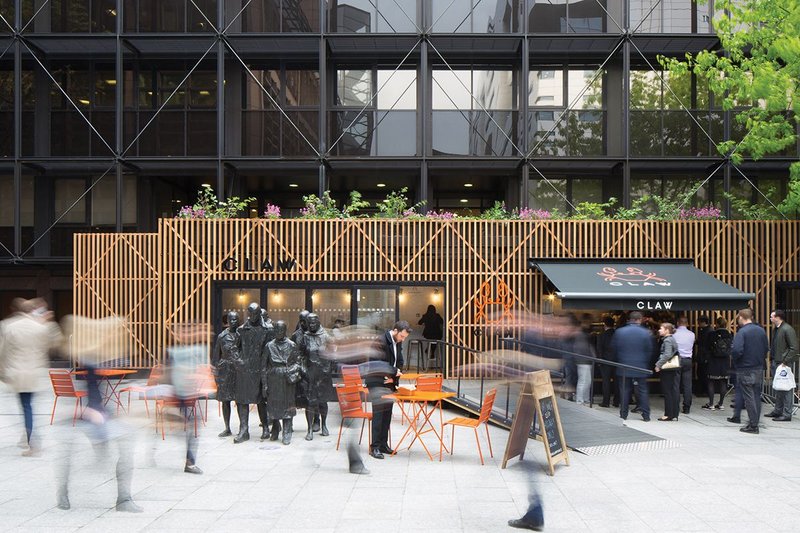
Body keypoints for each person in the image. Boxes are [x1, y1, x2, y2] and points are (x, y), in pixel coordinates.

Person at [0, 298, 62, 455]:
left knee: (25, 406)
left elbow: (3, 351)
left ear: (15, 309)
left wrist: (2, 371)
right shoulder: (40, 327)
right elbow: (54, 345)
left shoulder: (8, 326)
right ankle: (28, 435)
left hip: (16, 372)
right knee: (28, 405)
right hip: (35, 373)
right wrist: (48, 322)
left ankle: (31, 441)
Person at [366, 320, 410, 459]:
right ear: (395, 330)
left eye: (404, 337)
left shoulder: (397, 341)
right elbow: (376, 363)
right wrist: (393, 372)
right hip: (377, 382)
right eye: (402, 336)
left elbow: (400, 362)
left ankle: (383, 444)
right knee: (379, 415)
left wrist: (394, 378)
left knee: (387, 415)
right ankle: (375, 447)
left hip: (388, 383)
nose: (403, 339)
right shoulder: (380, 341)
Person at [234, 303, 273, 443]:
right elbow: (235, 348)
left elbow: (271, 350)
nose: (253, 316)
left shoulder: (268, 329)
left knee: (261, 400)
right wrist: (238, 361)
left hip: (261, 370)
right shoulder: (241, 330)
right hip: (245, 371)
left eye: (256, 313)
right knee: (242, 401)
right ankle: (243, 430)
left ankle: (266, 427)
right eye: (251, 314)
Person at [728, 308, 769, 434]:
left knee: (749, 396)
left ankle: (753, 425)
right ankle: (755, 422)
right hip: (758, 367)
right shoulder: (761, 331)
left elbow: (736, 350)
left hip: (745, 368)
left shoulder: (742, 332)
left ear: (741, 317)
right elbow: (766, 348)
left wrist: (736, 362)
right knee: (756, 395)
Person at [610, 311, 654, 422]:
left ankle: (623, 414)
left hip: (623, 366)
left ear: (629, 319)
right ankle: (646, 415)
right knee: (642, 391)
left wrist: (618, 361)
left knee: (624, 391)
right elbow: (649, 350)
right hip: (640, 366)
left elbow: (613, 349)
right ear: (640, 319)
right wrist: (645, 363)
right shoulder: (645, 333)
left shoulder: (619, 332)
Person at [262, 320, 301, 444]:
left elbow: (298, 362)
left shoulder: (292, 345)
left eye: (281, 330)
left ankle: (287, 431)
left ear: (285, 331)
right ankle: (275, 427)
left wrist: (291, 371)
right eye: (276, 330)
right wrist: (265, 384)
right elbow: (263, 366)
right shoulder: (269, 346)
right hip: (273, 377)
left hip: (287, 378)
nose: (279, 332)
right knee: (273, 405)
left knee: (287, 405)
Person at [297, 313, 333, 440]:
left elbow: (331, 356)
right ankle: (310, 429)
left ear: (318, 322)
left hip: (323, 376)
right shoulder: (305, 337)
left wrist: (325, 371)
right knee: (310, 403)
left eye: (313, 323)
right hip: (309, 375)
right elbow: (299, 355)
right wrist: (303, 370)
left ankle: (324, 425)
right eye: (309, 323)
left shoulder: (326, 337)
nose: (311, 325)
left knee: (323, 402)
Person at [765, 309, 798, 421]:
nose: (770, 318)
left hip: (783, 363)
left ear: (778, 317)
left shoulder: (787, 329)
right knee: (779, 387)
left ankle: (787, 413)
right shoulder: (778, 329)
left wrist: (785, 361)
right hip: (777, 361)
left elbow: (794, 347)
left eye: (772, 316)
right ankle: (778, 410)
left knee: (786, 388)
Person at [211, 311, 239, 437]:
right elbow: (216, 356)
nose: (234, 322)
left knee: (241, 401)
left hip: (238, 371)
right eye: (231, 320)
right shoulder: (222, 336)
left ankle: (243, 428)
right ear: (227, 321)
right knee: (225, 401)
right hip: (225, 371)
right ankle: (227, 427)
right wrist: (216, 375)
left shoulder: (242, 335)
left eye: (236, 320)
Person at [703, 316, 732, 410]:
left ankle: (711, 404)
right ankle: (721, 404)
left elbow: (706, 347)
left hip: (713, 360)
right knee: (723, 382)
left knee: (711, 382)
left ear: (717, 324)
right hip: (725, 361)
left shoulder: (712, 334)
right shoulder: (730, 334)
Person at [654, 322, 680, 421]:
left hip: (668, 369)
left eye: (661, 328)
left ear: (667, 330)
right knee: (672, 390)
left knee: (667, 391)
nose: (659, 330)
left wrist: (658, 365)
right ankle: (674, 413)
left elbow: (667, 354)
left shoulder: (667, 340)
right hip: (672, 368)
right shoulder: (671, 339)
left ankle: (668, 414)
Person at [672, 316, 695, 414]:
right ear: (687, 323)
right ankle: (687, 407)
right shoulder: (692, 334)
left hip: (676, 359)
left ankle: (675, 406)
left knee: (675, 384)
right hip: (688, 360)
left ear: (678, 323)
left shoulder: (674, 334)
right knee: (687, 384)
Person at [596, 316, 618, 408]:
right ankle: (616, 401)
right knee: (617, 382)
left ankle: (606, 402)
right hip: (617, 361)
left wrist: (600, 361)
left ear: (604, 324)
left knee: (606, 382)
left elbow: (599, 350)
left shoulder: (601, 335)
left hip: (605, 361)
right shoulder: (618, 334)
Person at [695, 315, 714, 396]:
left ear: (703, 322)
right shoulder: (709, 330)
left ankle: (704, 391)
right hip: (705, 356)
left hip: (704, 356)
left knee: (702, 373)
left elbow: (703, 343)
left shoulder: (706, 331)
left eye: (699, 322)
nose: (698, 324)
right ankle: (703, 391)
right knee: (702, 373)